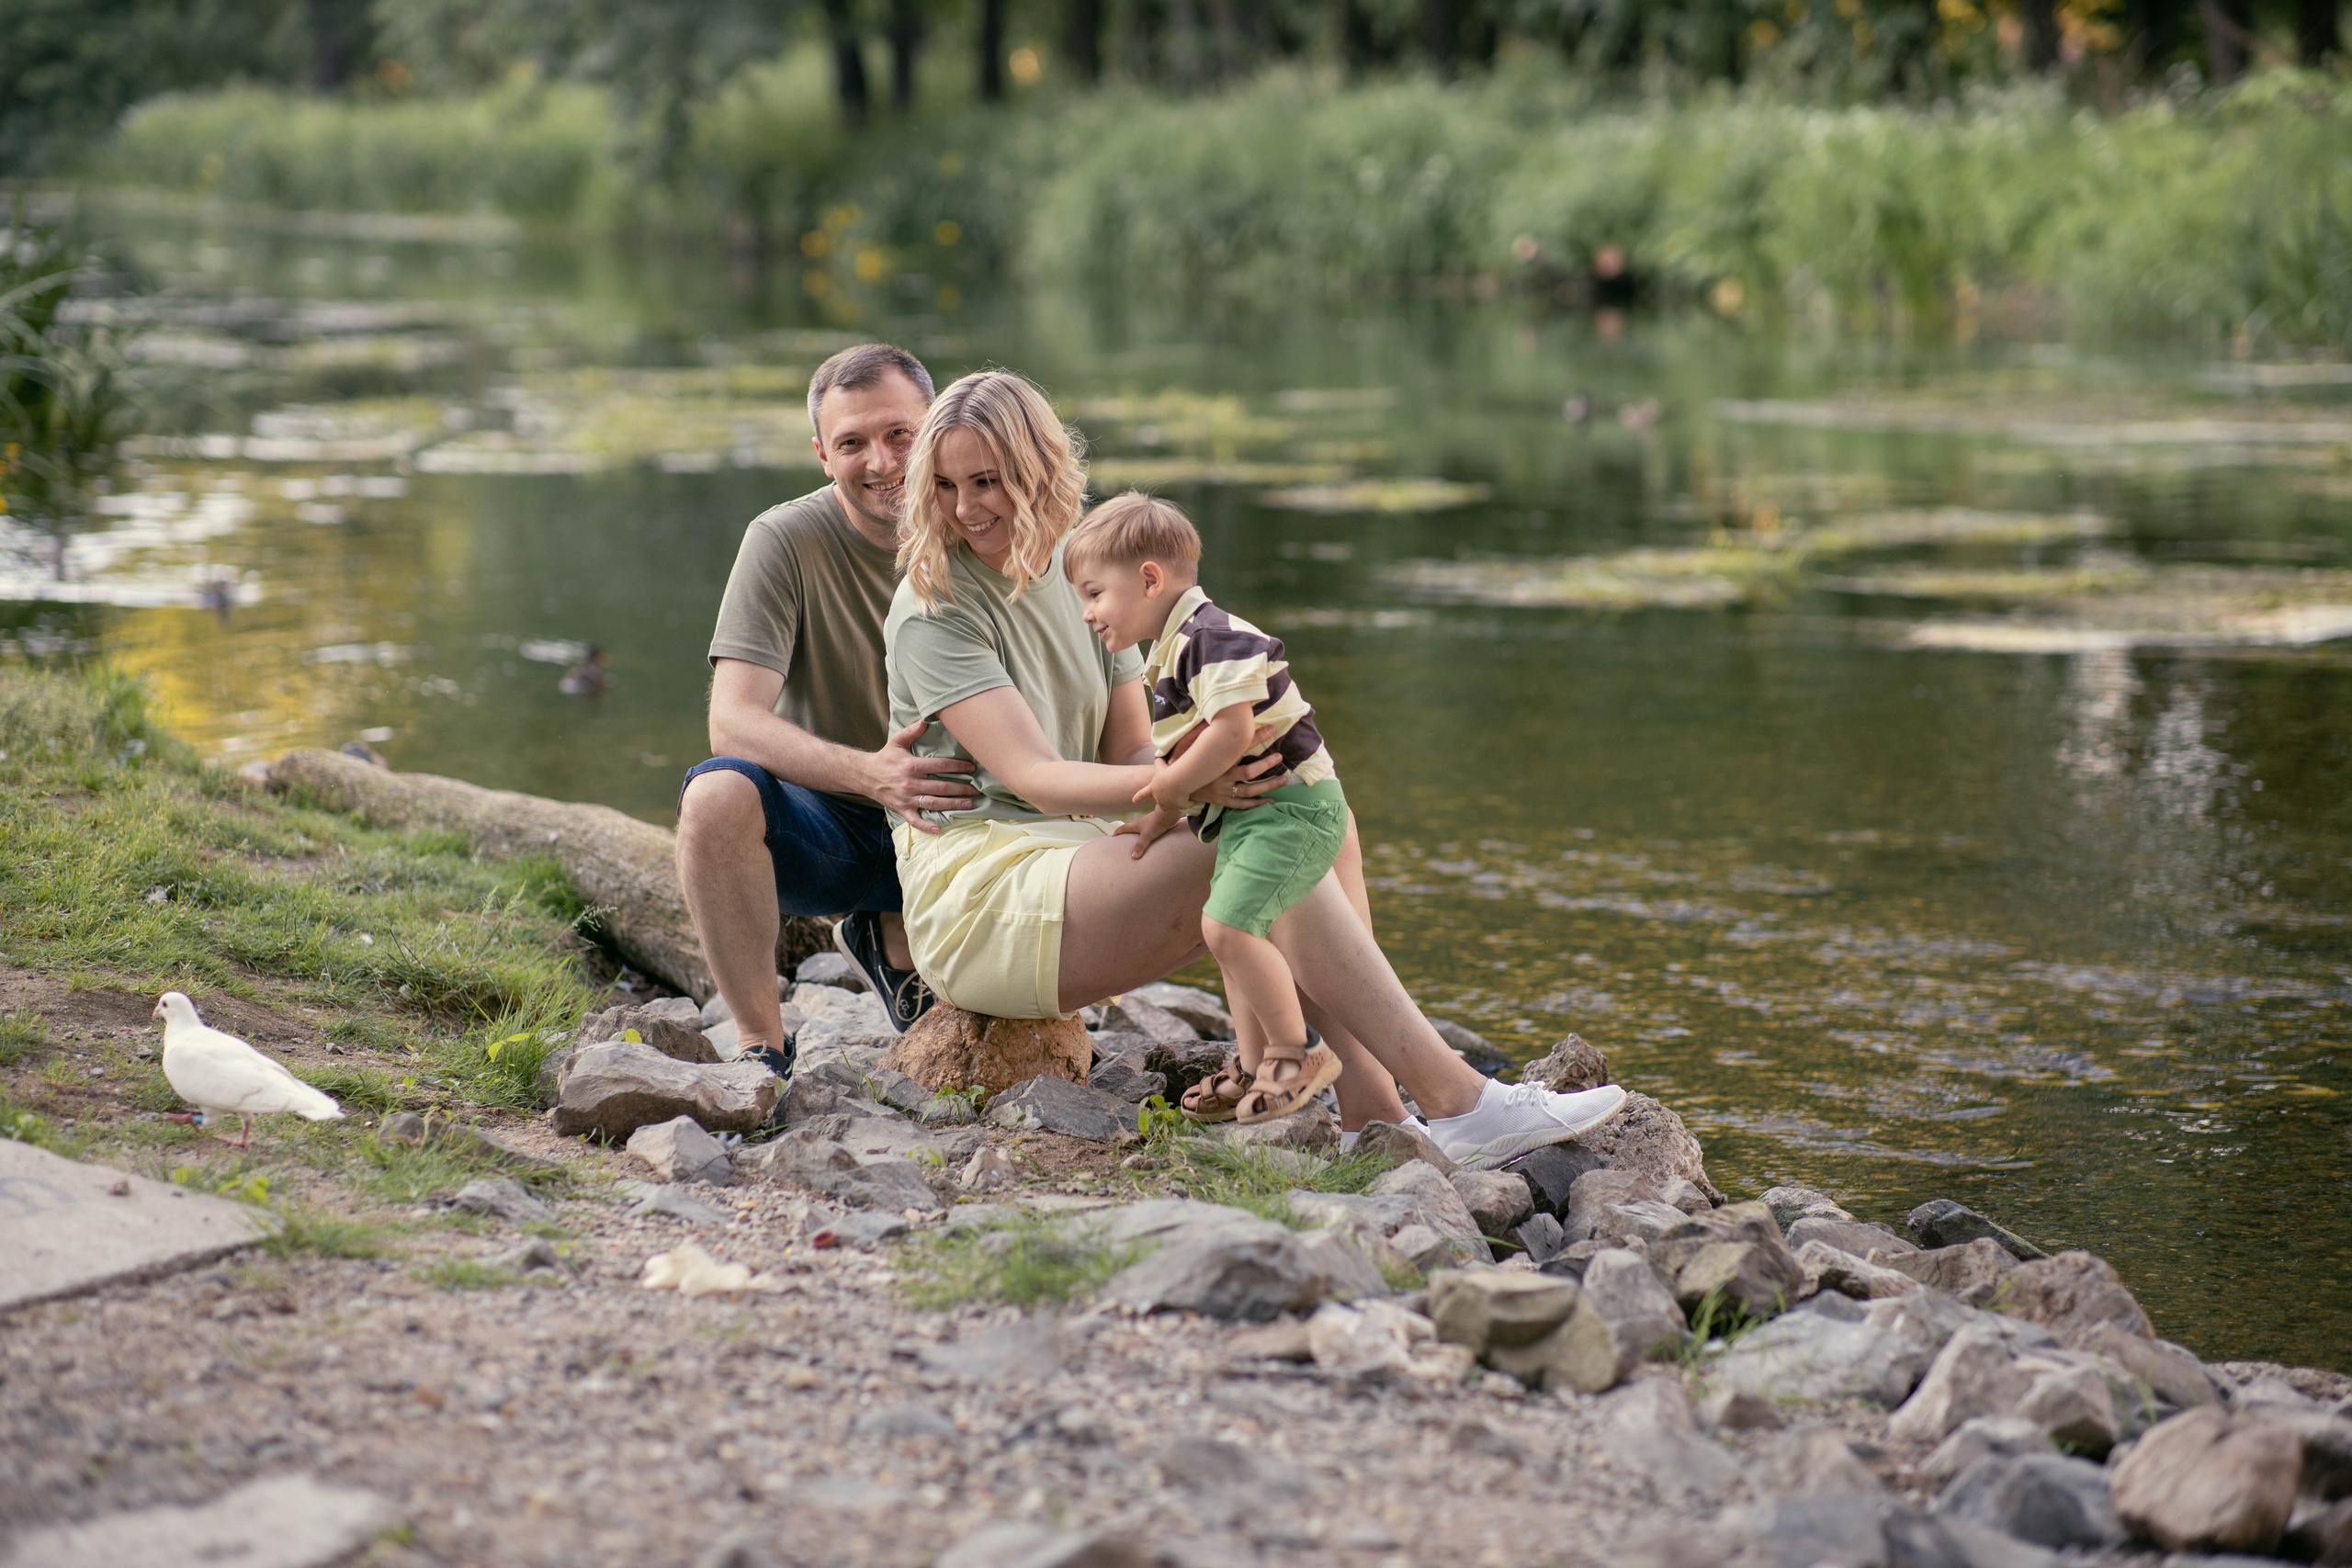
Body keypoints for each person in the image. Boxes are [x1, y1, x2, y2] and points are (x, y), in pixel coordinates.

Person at [883, 368, 1627, 1168]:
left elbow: (1134, 748)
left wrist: (1220, 759)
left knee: (1313, 814)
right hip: (987, 893)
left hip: (1085, 853)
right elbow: (1035, 777)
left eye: (988, 480)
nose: (967, 508)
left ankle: (1374, 1116)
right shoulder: (935, 611)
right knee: (1262, 835)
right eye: (948, 485)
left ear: (1038, 469)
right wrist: (1190, 783)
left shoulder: (1086, 569)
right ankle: (1459, 1100)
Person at [673, 343, 983, 1063]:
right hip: (837, 824)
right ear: (822, 454)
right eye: (852, 442)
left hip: (972, 821)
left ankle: (894, 932)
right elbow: (732, 719)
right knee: (716, 794)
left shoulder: (990, 524)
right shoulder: (783, 540)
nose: (881, 461)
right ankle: (760, 1047)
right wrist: (871, 774)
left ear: (936, 426)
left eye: (899, 434)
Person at [1063, 491, 1345, 1125]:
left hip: (1293, 806)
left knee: (1228, 928)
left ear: (1149, 579)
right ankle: (1251, 1063)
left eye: (1094, 593)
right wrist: (1163, 816)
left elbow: (1231, 732)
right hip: (1255, 814)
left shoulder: (1211, 637)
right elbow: (1196, 745)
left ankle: (1296, 1052)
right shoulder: (1171, 649)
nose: (1087, 613)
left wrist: (1167, 787)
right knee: (1226, 931)